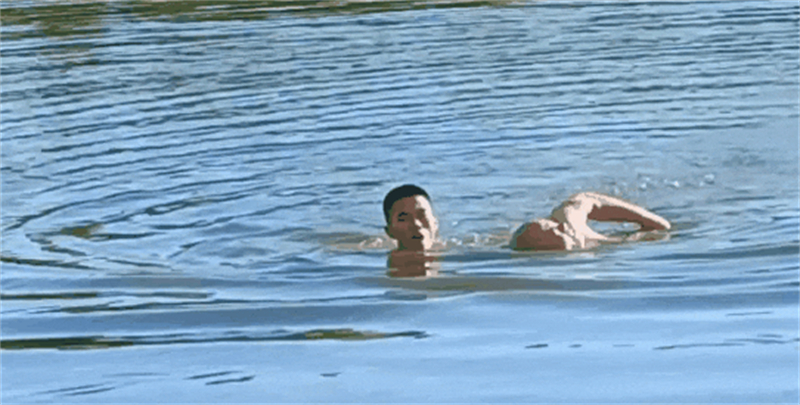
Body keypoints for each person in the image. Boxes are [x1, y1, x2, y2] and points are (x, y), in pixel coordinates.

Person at [382, 184, 670, 257]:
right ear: (390, 230)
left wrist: (657, 225)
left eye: (422, 216)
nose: (416, 225)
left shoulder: (570, 232)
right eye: (403, 218)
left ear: (436, 222)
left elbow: (585, 199)